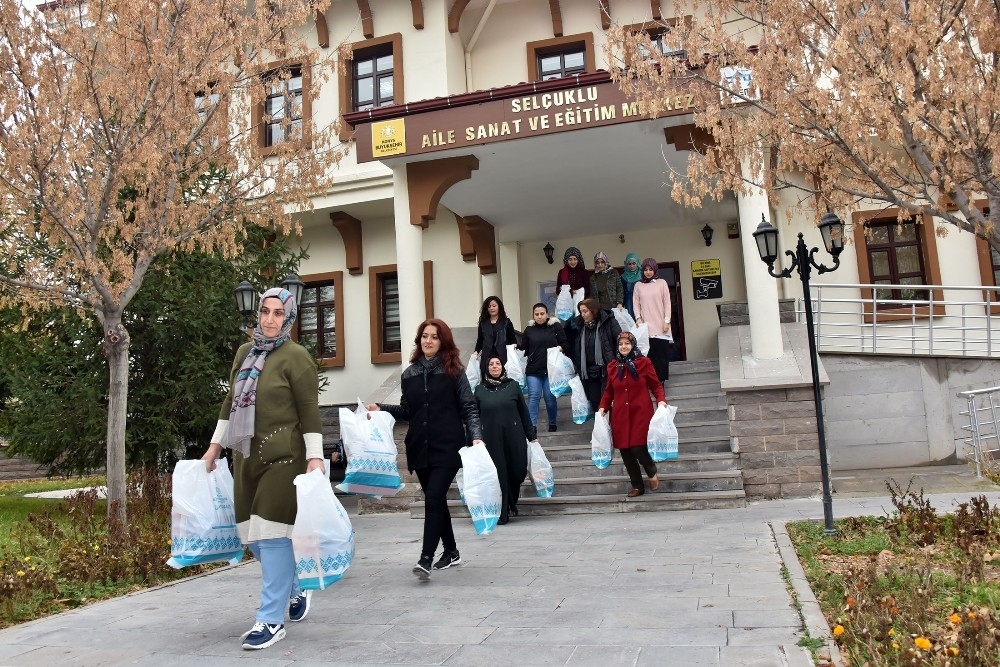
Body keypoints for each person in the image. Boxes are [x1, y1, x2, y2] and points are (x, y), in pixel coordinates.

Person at [201, 287, 324, 651]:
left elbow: (309, 410)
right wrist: (214, 447)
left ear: (288, 318)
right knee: (253, 537)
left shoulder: (297, 357)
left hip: (285, 458)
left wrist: (315, 456)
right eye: (264, 312)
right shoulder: (244, 353)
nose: (270, 320)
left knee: (271, 535)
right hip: (246, 456)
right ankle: (297, 584)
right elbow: (229, 402)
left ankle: (270, 620)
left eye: (277, 313)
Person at [367, 319, 483, 579]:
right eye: (424, 336)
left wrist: (475, 436)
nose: (428, 341)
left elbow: (468, 407)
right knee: (437, 500)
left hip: (448, 446)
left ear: (443, 341)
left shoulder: (454, 370)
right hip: (420, 446)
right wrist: (381, 408)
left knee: (432, 498)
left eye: (434, 337)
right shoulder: (409, 374)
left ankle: (426, 557)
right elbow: (408, 411)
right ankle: (451, 551)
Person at [597, 332, 667, 498]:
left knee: (637, 446)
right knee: (625, 450)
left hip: (641, 412)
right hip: (620, 414)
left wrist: (661, 400)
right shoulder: (613, 366)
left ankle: (651, 469)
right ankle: (637, 485)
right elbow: (609, 391)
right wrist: (603, 407)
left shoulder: (644, 362)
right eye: (621, 344)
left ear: (633, 345)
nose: (624, 347)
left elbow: (656, 385)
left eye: (627, 344)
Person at [474, 356, 538, 525]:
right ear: (486, 368)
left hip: (514, 435)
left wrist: (532, 436)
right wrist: (473, 439)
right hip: (491, 438)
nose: (495, 367)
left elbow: (524, 412)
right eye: (491, 364)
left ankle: (511, 501)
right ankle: (503, 513)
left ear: (502, 367)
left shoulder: (513, 386)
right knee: (500, 474)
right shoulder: (480, 390)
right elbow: (474, 417)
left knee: (517, 471)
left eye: (498, 364)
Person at [520, 302, 568, 432]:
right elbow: (523, 348)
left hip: (551, 371)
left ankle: (552, 423)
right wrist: (514, 347)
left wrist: (560, 348)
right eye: (537, 314)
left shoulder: (555, 326)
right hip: (533, 370)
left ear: (547, 314)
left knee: (549, 398)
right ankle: (532, 427)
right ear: (533, 316)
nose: (539, 316)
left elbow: (565, 342)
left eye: (542, 314)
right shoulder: (529, 330)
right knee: (534, 396)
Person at [568, 298, 622, 414]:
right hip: (588, 372)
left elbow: (620, 341)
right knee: (594, 402)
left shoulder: (608, 322)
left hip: (605, 369)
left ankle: (610, 429)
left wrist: (617, 362)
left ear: (593, 310)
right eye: (581, 312)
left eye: (585, 311)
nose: (583, 315)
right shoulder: (580, 327)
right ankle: (600, 429)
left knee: (606, 402)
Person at [633, 257, 673, 383]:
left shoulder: (662, 283)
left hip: (661, 325)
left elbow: (667, 303)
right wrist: (638, 319)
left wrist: (667, 321)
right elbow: (636, 304)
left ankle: (661, 382)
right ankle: (652, 381)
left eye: (650, 269)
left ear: (654, 269)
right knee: (650, 356)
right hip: (646, 327)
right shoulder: (638, 285)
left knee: (661, 355)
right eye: (646, 269)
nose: (648, 272)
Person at [474, 295, 518, 381]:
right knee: (487, 380)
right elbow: (480, 340)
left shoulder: (506, 322)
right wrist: (476, 352)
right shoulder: (483, 323)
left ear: (499, 307)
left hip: (503, 356)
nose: (491, 308)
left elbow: (513, 339)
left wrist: (514, 347)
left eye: (494, 306)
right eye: (489, 306)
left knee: (503, 380)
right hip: (487, 356)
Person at [621, 252, 642, 319]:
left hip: (642, 302)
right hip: (629, 303)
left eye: (634, 263)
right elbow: (622, 293)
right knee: (631, 322)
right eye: (629, 264)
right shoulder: (623, 277)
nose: (632, 266)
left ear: (637, 263)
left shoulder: (643, 275)